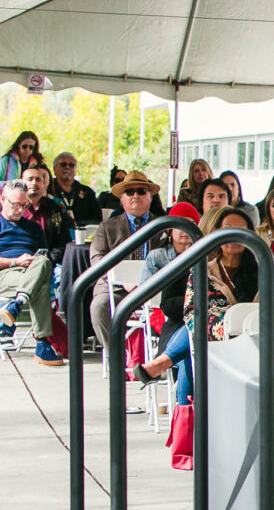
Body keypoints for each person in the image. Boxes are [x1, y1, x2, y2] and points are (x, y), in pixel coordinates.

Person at [133, 207, 259, 405]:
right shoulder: (198, 266)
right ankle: (188, 419)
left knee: (193, 344)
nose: (234, 235)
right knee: (193, 343)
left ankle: (165, 363)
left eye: (241, 229)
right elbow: (180, 307)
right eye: (227, 228)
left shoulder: (262, 269)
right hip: (193, 329)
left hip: (246, 338)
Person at [89, 171, 166, 349]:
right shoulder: (107, 227)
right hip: (116, 289)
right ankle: (117, 359)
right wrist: (123, 282)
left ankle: (160, 359)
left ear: (150, 197)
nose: (136, 196)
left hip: (154, 288)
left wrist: (147, 283)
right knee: (99, 307)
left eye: (141, 191)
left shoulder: (163, 225)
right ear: (122, 199)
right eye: (130, 192)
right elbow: (97, 258)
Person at [0, 180, 60, 365]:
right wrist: (15, 262)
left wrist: (32, 262)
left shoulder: (33, 228)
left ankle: (17, 304)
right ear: (2, 199)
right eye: (14, 204)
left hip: (31, 271)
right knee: (40, 287)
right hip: (6, 272)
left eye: (23, 205)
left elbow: (44, 256)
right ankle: (42, 344)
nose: (19, 209)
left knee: (43, 260)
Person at [140, 202, 201, 350]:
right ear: (169, 229)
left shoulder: (203, 255)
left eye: (190, 223)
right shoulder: (156, 256)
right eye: (179, 223)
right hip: (161, 312)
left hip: (192, 313)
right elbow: (143, 292)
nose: (185, 229)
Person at [21, 164, 74, 264]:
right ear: (21, 182)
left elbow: (63, 241)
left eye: (38, 180)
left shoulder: (54, 208)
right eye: (30, 179)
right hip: (19, 261)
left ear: (43, 184)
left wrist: (50, 260)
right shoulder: (13, 207)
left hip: (48, 262)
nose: (34, 183)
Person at [48, 152, 102, 225]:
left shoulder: (87, 192)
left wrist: (78, 225)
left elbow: (97, 220)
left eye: (71, 165)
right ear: (54, 169)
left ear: (75, 170)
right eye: (63, 164)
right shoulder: (48, 190)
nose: (67, 167)